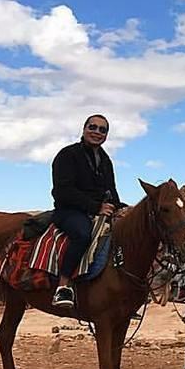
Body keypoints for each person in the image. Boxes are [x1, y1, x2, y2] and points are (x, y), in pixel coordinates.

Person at [50, 114, 124, 308]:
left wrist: (120, 208)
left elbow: (112, 191)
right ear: (84, 129)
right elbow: (62, 191)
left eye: (102, 130)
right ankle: (63, 286)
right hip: (70, 211)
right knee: (83, 235)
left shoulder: (105, 160)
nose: (97, 132)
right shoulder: (67, 155)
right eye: (93, 127)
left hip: (100, 212)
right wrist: (96, 207)